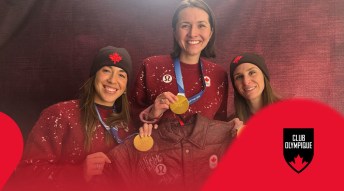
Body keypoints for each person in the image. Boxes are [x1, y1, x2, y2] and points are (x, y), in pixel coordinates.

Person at [4, 46, 139, 191]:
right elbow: (26, 175)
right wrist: (79, 173)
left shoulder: (131, 122)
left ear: (125, 86)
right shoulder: (59, 114)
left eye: (121, 75)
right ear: (94, 76)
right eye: (106, 71)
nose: (113, 80)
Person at [132, 0, 233, 127]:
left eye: (201, 25)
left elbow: (219, 124)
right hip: (160, 146)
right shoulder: (151, 67)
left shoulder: (219, 74)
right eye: (185, 25)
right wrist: (152, 115)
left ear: (211, 32)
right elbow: (130, 120)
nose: (192, 33)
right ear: (174, 32)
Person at [229, 52, 280, 123]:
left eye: (252, 73)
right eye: (239, 77)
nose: (246, 82)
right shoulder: (233, 123)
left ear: (264, 76)